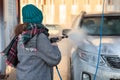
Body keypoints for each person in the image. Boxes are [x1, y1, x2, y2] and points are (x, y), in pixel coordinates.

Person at [3, 4, 61, 80]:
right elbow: (54, 59)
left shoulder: (21, 36)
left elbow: (33, 53)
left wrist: (48, 42)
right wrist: (54, 44)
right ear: (38, 19)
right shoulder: (39, 37)